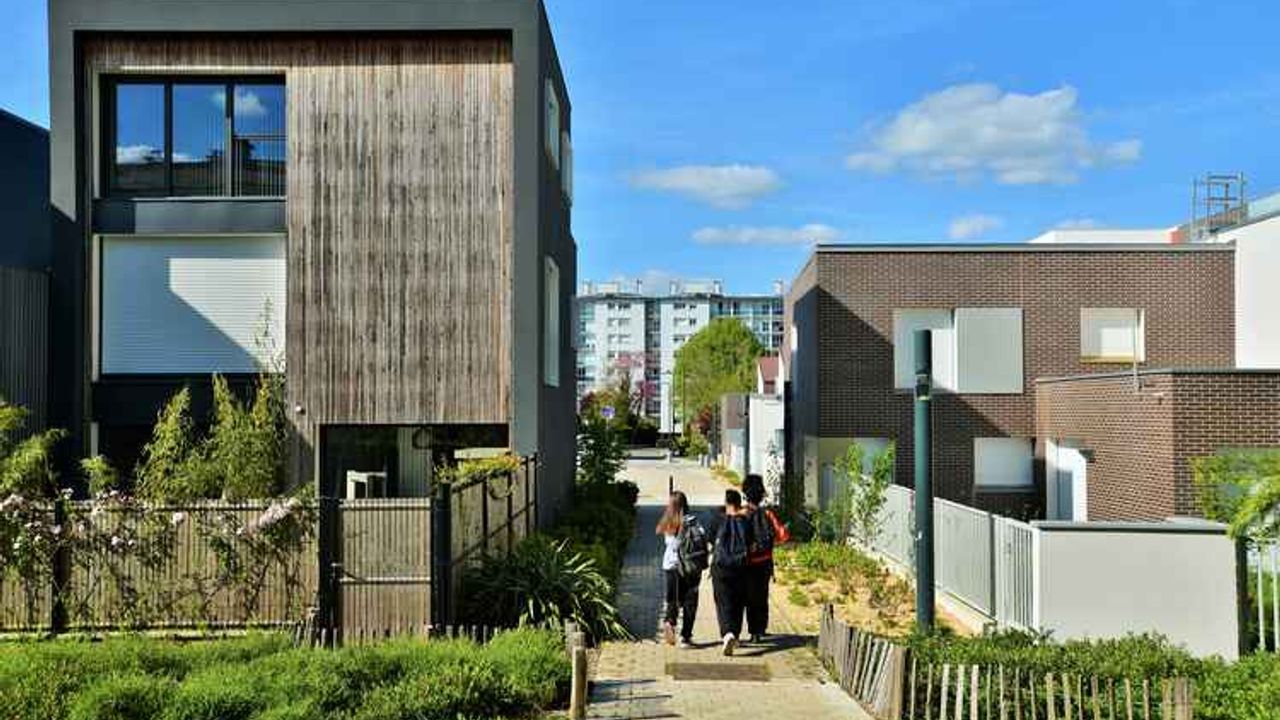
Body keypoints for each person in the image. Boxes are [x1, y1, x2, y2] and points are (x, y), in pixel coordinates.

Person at [741, 473, 791, 644]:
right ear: (761, 494)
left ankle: (752, 632)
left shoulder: (742, 514)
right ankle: (760, 630)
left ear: (745, 493)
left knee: (749, 598)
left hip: (746, 563)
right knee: (762, 596)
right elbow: (783, 536)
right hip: (764, 563)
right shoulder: (768, 514)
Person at [656, 491, 707, 648]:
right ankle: (686, 637)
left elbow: (671, 544)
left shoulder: (667, 522)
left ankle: (669, 622)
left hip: (671, 567)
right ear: (686, 504)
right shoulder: (693, 521)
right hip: (690, 567)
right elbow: (703, 536)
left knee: (673, 600)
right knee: (690, 601)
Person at [711, 488, 752, 656]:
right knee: (738, 602)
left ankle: (727, 633)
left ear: (726, 502)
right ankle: (735, 633)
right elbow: (751, 544)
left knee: (723, 602)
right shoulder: (745, 522)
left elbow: (710, 541)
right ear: (739, 503)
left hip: (720, 567)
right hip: (741, 567)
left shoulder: (717, 520)